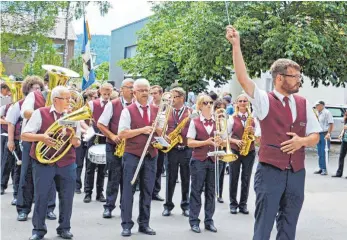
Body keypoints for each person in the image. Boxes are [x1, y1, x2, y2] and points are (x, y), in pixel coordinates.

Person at [226, 25, 321, 240]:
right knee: (264, 226)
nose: (299, 80)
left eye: (299, 76)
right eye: (294, 76)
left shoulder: (303, 102)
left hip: (297, 173)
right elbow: (243, 79)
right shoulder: (263, 100)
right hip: (270, 172)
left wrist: (302, 141)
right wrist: (236, 45)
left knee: (289, 226)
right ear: (279, 78)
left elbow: (316, 135)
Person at [22, 86, 80, 240]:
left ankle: (64, 228)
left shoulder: (73, 116)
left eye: (70, 98)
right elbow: (24, 135)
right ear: (56, 100)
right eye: (66, 98)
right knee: (41, 196)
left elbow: (78, 140)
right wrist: (42, 137)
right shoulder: (40, 113)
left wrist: (76, 140)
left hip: (67, 162)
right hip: (44, 162)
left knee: (67, 197)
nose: (70, 101)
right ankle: (38, 230)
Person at [118, 78, 160, 237]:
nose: (144, 93)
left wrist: (159, 132)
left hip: (151, 155)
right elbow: (122, 133)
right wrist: (143, 130)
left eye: (146, 90)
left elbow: (159, 133)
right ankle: (126, 224)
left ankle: (144, 224)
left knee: (147, 190)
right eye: (141, 90)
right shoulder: (127, 110)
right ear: (134, 93)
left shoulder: (156, 110)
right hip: (133, 155)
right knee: (128, 190)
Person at [19, 76, 56, 222]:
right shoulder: (33, 96)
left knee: (52, 175)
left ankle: (49, 208)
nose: (38, 89)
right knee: (27, 174)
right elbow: (25, 112)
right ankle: (23, 208)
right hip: (33, 139)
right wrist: (42, 113)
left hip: (53, 140)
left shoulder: (60, 96)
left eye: (39, 87)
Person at [97, 78, 134, 218]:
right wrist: (112, 136)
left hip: (131, 147)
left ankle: (125, 207)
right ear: (122, 89)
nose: (132, 90)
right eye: (129, 87)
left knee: (128, 178)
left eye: (133, 87)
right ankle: (109, 206)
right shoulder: (113, 104)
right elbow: (101, 124)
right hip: (114, 145)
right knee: (114, 176)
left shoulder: (138, 105)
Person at [187, 94, 224, 234]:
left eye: (211, 102)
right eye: (206, 103)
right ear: (200, 106)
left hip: (214, 160)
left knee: (211, 192)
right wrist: (206, 142)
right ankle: (194, 221)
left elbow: (224, 139)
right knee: (196, 191)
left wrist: (220, 142)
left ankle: (209, 221)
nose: (209, 105)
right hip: (198, 160)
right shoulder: (194, 121)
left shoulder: (219, 121)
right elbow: (190, 142)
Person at [162, 87, 192, 217]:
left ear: (181, 98)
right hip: (171, 149)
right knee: (170, 178)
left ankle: (185, 205)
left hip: (186, 149)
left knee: (186, 178)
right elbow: (161, 128)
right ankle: (168, 205)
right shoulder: (166, 111)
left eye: (174, 97)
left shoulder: (190, 112)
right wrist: (164, 137)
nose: (171, 100)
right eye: (171, 97)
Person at [228, 94, 260, 214]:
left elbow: (258, 137)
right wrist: (236, 141)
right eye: (240, 101)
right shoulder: (232, 118)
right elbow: (225, 136)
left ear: (248, 103)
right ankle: (233, 204)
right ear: (236, 103)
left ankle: (243, 204)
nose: (242, 103)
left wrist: (254, 132)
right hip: (235, 150)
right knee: (234, 177)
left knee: (246, 178)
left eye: (245, 101)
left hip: (249, 150)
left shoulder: (253, 119)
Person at [83, 83, 113, 203]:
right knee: (90, 166)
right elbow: (84, 119)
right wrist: (88, 129)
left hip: (106, 136)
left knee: (103, 166)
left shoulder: (113, 104)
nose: (106, 96)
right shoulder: (92, 104)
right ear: (100, 92)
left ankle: (100, 192)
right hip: (94, 136)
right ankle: (88, 192)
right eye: (104, 94)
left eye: (108, 94)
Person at [150, 85, 165, 201]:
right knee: (149, 167)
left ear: (161, 94)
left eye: (155, 93)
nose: (153, 96)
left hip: (161, 139)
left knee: (159, 167)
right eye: (152, 93)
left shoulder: (166, 107)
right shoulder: (149, 106)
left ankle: (156, 191)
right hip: (150, 139)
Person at [213, 99, 228, 203]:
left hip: (222, 147)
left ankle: (219, 194)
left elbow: (227, 135)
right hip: (212, 147)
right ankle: (211, 191)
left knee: (221, 171)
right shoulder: (210, 119)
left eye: (223, 109)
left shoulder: (226, 120)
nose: (220, 111)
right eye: (218, 108)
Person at [314, 100, 334, 175]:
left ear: (322, 105)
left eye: (317, 105)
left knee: (324, 151)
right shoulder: (318, 113)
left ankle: (325, 169)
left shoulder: (327, 112)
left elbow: (331, 124)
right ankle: (321, 167)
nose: (316, 107)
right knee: (319, 151)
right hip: (318, 133)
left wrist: (328, 133)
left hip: (325, 134)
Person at [332, 111, 347, 178]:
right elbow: (344, 129)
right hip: (345, 140)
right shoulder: (346, 120)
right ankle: (339, 173)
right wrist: (341, 134)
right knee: (341, 156)